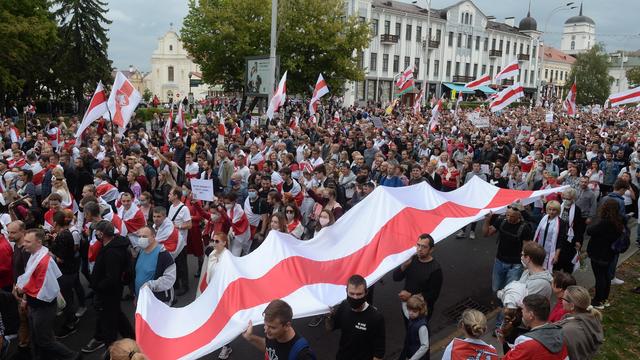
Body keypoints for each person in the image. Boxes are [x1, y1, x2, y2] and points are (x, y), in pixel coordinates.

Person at [13, 228, 79, 359]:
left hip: (43, 307)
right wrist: (26, 298)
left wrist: (23, 290)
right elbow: (31, 278)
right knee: (36, 337)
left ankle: (73, 356)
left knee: (45, 340)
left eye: (27, 241)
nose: (24, 244)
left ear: (38, 242)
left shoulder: (44, 261)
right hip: (34, 305)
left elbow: (46, 288)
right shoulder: (35, 255)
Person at [82, 220, 134, 354]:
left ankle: (112, 353)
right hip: (111, 292)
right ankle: (133, 340)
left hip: (108, 293)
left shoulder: (112, 252)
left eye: (97, 232)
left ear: (101, 233)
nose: (95, 234)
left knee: (108, 326)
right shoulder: (114, 245)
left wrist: (97, 286)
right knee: (118, 316)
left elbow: (112, 277)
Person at [325, 274, 385, 360]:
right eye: (352, 294)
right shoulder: (344, 305)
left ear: (366, 292)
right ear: (346, 291)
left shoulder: (376, 317)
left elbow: (379, 353)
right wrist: (328, 317)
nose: (355, 297)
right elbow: (330, 328)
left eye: (359, 294)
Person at [393, 233, 443, 322]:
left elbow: (433, 294)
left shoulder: (435, 269)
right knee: (408, 330)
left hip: (421, 311)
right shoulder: (411, 260)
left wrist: (410, 296)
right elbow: (396, 278)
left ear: (431, 250)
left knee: (418, 333)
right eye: (418, 245)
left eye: (424, 247)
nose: (420, 249)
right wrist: (404, 266)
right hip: (407, 306)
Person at [243, 299, 315, 359]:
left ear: (287, 326)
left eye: (272, 327)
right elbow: (269, 348)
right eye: (265, 324)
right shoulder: (273, 334)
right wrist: (250, 337)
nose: (266, 330)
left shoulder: (302, 354)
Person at [503, 294, 569, 359]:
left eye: (523, 310)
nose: (521, 312)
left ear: (531, 315)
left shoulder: (525, 341)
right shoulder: (562, 334)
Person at [586, 198, 623, 309]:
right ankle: (604, 299)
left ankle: (598, 300)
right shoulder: (618, 221)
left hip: (599, 253)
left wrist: (595, 221)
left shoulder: (604, 222)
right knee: (606, 276)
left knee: (600, 277)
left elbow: (590, 231)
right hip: (609, 253)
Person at [556, 285, 604, 359]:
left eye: (563, 298)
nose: (561, 300)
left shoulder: (568, 330)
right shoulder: (591, 317)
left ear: (572, 305)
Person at [134, 226, 176, 305]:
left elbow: (169, 279)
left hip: (158, 302)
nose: (141, 239)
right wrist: (136, 296)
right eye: (139, 236)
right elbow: (138, 274)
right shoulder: (141, 251)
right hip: (142, 299)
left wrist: (151, 285)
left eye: (144, 236)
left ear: (153, 236)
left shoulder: (164, 255)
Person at [532, 200, 570, 271]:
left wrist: (556, 255)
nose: (551, 212)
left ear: (558, 211)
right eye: (550, 209)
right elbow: (530, 218)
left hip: (552, 252)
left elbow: (561, 241)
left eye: (554, 210)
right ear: (547, 209)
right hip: (540, 250)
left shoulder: (561, 223)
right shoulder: (543, 218)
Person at [167, 187, 191, 295]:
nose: (168, 195)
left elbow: (189, 225)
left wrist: (178, 226)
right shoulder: (171, 206)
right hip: (172, 241)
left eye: (170, 194)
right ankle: (176, 284)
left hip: (181, 242)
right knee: (174, 264)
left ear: (176, 196)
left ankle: (185, 286)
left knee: (182, 265)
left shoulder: (184, 209)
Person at [400, 294, 430, 360]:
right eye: (409, 310)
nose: (410, 313)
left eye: (414, 311)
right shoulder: (413, 317)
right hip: (410, 352)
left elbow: (425, 346)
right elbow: (405, 311)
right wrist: (403, 301)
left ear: (420, 311)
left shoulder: (422, 327)